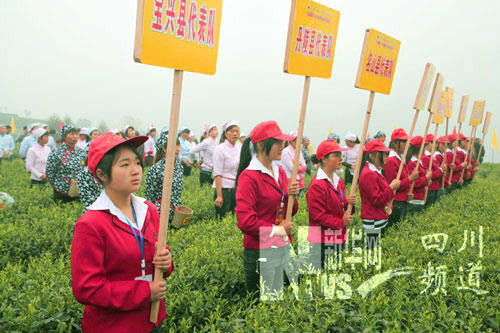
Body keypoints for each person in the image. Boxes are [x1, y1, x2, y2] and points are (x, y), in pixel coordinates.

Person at [71, 132, 174, 333]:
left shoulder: (149, 210)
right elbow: (87, 288)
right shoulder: (91, 224)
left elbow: (156, 255)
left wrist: (166, 262)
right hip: (115, 326)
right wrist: (144, 292)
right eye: (125, 165)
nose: (136, 170)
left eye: (137, 162)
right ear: (102, 174)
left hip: (152, 319)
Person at [235, 120, 299, 299]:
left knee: (281, 302)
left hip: (282, 246)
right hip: (260, 251)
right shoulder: (249, 177)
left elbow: (289, 211)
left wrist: (291, 196)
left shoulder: (280, 173)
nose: (282, 146)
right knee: (262, 307)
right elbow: (246, 222)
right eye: (277, 142)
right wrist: (278, 230)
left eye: (283, 142)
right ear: (262, 146)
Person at [307, 139, 356, 270]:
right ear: (324, 159)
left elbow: (341, 205)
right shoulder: (318, 185)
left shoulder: (338, 181)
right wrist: (341, 222)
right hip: (322, 241)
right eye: (336, 156)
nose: (341, 159)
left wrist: (349, 204)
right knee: (324, 278)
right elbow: (318, 216)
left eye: (341, 155)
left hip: (338, 236)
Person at [359, 139, 399, 248]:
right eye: (383, 153)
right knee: (373, 252)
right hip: (373, 221)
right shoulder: (369, 174)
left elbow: (382, 197)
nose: (386, 156)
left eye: (387, 153)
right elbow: (377, 200)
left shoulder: (376, 172)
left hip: (379, 219)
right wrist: (391, 188)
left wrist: (387, 205)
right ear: (372, 156)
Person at [384, 129, 420, 227]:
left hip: (401, 200)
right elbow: (394, 185)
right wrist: (411, 178)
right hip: (395, 202)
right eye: (403, 142)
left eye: (406, 141)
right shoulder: (391, 160)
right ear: (395, 143)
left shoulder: (400, 158)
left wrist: (408, 191)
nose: (406, 144)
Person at [145, 130, 183, 219]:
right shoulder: (155, 170)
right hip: (160, 214)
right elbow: (149, 197)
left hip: (176, 214)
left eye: (178, 145)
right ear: (164, 149)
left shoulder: (179, 167)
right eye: (174, 145)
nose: (177, 149)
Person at [46, 124, 85, 203]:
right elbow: (50, 173)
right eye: (71, 134)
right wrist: (58, 184)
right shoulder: (56, 152)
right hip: (61, 192)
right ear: (64, 136)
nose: (75, 136)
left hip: (77, 191)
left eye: (77, 134)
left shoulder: (80, 152)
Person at [213, 121, 241, 219]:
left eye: (237, 131)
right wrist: (219, 196)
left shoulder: (239, 148)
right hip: (224, 189)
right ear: (225, 133)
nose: (235, 134)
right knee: (222, 218)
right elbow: (217, 174)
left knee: (235, 218)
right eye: (232, 131)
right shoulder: (220, 149)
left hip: (236, 189)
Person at [406, 136, 432, 214]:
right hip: (414, 200)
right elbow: (415, 183)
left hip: (420, 199)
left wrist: (428, 181)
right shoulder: (411, 164)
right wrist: (426, 178)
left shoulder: (419, 162)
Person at [279, 130, 306, 197]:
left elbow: (304, 166)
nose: (298, 143)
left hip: (299, 179)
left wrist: (298, 167)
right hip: (289, 178)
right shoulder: (285, 152)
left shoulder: (298, 151)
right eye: (296, 141)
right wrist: (299, 167)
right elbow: (292, 168)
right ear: (291, 141)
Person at [421, 134, 444, 206]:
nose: (436, 145)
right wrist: (441, 170)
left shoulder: (432, 157)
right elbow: (430, 175)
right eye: (434, 143)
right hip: (430, 188)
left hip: (435, 187)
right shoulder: (425, 157)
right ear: (429, 143)